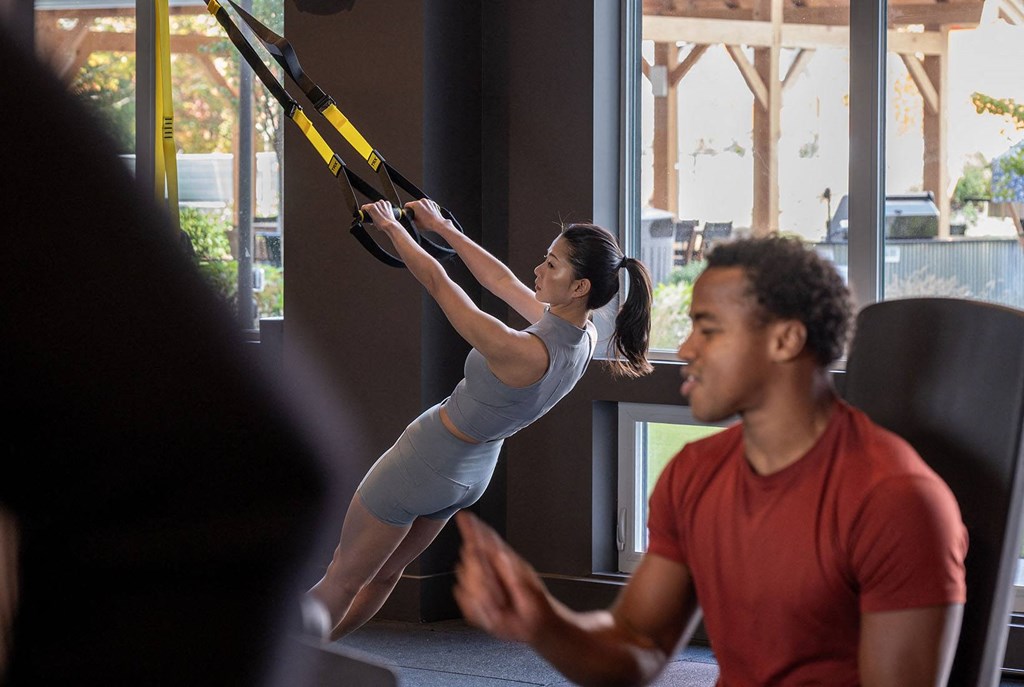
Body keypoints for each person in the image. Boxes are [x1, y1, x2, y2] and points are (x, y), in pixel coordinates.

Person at [453, 236, 969, 686]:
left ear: (785, 340)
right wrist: (545, 623)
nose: (686, 346)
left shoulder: (896, 499)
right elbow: (638, 644)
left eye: (709, 328)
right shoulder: (695, 474)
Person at [307, 198, 654, 640]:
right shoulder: (582, 336)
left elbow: (437, 281)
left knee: (341, 577)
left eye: (551, 264)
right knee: (383, 576)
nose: (538, 270)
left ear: (580, 286)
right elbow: (502, 280)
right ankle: (310, 662)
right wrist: (442, 228)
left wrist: (394, 229)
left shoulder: (522, 351)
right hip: (469, 473)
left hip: (424, 462)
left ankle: (267, 665)